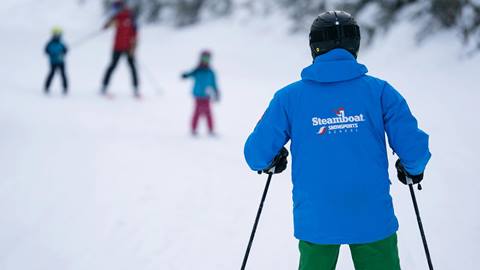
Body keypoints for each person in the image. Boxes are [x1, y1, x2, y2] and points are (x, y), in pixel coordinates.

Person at [244, 11, 431, 270]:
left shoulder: (289, 98)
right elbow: (415, 149)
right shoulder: (380, 92)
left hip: (316, 218)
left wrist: (272, 159)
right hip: (371, 214)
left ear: (314, 46)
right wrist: (412, 169)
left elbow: (255, 154)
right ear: (355, 44)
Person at [101, 0, 140, 98]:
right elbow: (106, 25)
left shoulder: (130, 17)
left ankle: (136, 88)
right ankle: (104, 86)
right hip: (117, 47)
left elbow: (135, 33)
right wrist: (107, 25)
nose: (115, 10)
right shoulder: (116, 17)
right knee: (112, 66)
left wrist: (133, 48)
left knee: (132, 67)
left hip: (128, 47)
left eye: (117, 8)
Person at [181, 51, 220, 136]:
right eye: (204, 58)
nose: (205, 60)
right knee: (197, 112)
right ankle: (193, 129)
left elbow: (214, 83)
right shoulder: (197, 70)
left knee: (208, 113)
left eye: (207, 58)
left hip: (206, 96)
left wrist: (217, 92)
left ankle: (210, 130)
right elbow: (189, 74)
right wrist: (185, 75)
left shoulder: (210, 72)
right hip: (198, 95)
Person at [44, 27, 69, 95]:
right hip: (53, 62)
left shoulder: (61, 43)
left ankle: (65, 88)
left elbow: (65, 50)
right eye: (56, 35)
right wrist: (53, 54)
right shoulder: (50, 43)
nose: (57, 36)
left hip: (61, 62)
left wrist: (63, 52)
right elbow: (46, 51)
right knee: (51, 74)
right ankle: (46, 87)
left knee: (63, 75)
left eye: (59, 35)